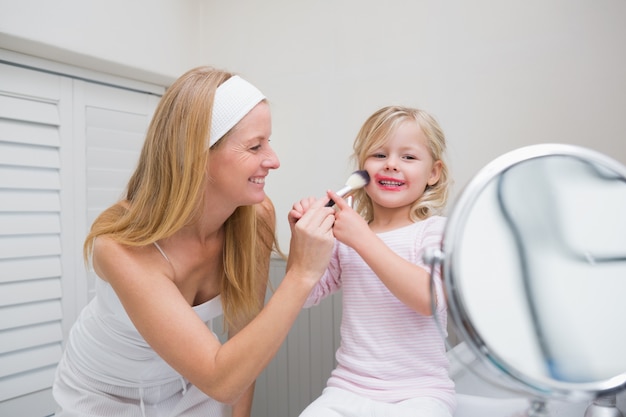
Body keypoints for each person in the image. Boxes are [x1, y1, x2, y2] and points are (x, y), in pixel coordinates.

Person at [52, 66, 336, 417]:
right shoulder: (121, 245)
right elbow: (222, 379)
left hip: (189, 383)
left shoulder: (256, 218)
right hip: (106, 392)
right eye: (254, 145)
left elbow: (243, 336)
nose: (273, 160)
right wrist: (301, 273)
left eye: (269, 141)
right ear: (196, 155)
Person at [292, 105, 456, 417]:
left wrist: (363, 239)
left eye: (408, 157)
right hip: (348, 389)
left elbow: (430, 300)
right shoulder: (347, 236)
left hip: (421, 394)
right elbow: (305, 295)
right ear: (362, 168)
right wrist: (304, 239)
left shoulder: (435, 231)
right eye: (379, 155)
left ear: (433, 172)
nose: (392, 165)